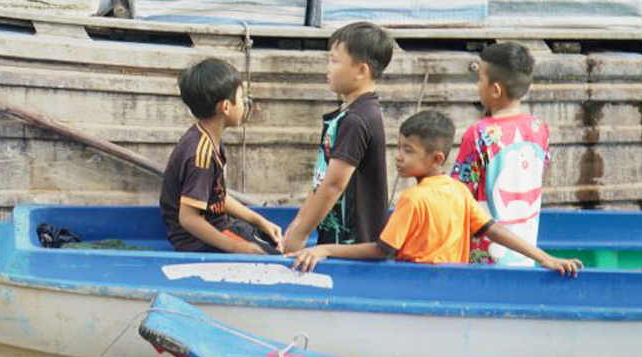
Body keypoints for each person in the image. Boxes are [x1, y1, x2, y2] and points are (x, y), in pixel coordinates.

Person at [289, 111, 581, 276]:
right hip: (453, 283)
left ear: (437, 159)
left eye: (408, 151)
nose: (399, 157)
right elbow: (495, 231)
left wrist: (323, 249)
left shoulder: (413, 199)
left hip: (414, 283)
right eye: (399, 148)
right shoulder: (459, 191)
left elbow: (380, 251)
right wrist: (544, 257)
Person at [281, 22, 393, 253]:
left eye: (334, 61)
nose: (328, 68)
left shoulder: (357, 119)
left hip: (351, 245)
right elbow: (320, 182)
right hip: (335, 239)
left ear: (361, 71)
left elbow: (333, 184)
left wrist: (300, 234)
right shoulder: (349, 114)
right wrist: (298, 224)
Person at [160, 58, 284, 254]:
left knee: (278, 244)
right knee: (276, 259)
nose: (244, 105)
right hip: (198, 240)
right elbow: (189, 218)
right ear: (226, 107)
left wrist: (259, 220)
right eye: (242, 99)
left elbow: (215, 196)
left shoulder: (208, 138)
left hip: (219, 224)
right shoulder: (200, 155)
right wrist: (237, 248)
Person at [453, 42, 550, 265]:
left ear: (495, 90)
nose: (478, 86)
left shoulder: (479, 134)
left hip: (483, 257)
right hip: (526, 252)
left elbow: (460, 193)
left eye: (480, 80)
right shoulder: (539, 128)